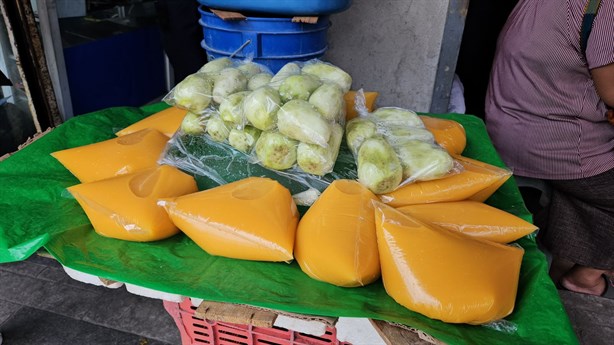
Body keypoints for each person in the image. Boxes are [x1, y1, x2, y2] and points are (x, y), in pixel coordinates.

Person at [485, 0, 614, 298]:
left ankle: (563, 269)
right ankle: (586, 276)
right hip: (557, 145)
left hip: (507, 127)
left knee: (587, 193)